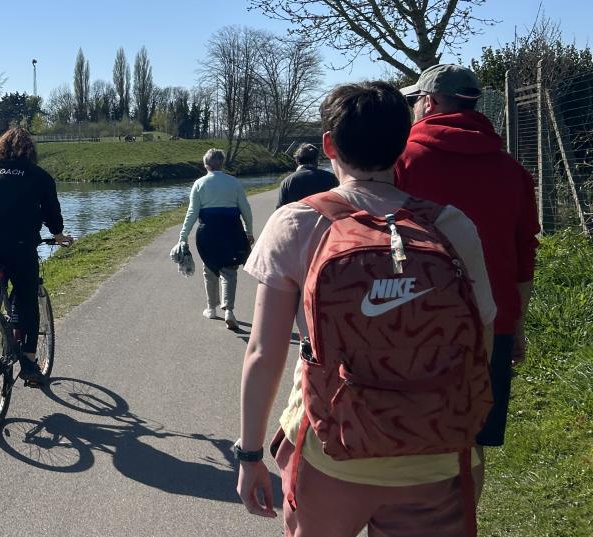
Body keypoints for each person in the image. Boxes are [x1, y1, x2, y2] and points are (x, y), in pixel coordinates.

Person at [236, 81, 497, 536]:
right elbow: (483, 339)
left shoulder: (296, 223)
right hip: (438, 454)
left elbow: (263, 352)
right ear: (403, 144)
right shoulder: (452, 226)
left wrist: (250, 454)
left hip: (331, 450)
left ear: (328, 144)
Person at [395, 64, 541, 459]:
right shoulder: (513, 171)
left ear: (427, 102)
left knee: (410, 441)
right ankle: (463, 521)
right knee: (470, 444)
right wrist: (516, 324)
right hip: (493, 324)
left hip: (414, 321)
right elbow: (524, 255)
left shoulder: (402, 160)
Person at [0, 127, 73, 384]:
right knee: (27, 298)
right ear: (30, 151)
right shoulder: (39, 175)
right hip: (18, 243)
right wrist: (58, 234)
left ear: (0, 149)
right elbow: (52, 212)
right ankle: (29, 364)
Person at [176, 149, 254, 330]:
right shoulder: (234, 182)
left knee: (209, 268)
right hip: (232, 230)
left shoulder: (199, 183)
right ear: (222, 164)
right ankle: (229, 310)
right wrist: (248, 231)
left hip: (207, 232)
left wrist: (183, 236)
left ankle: (211, 308)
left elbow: (192, 213)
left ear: (206, 165)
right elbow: (246, 209)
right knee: (229, 270)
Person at [276, 143, 338, 207]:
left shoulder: (287, 181)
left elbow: (280, 210)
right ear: (316, 160)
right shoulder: (331, 178)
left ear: (297, 160)